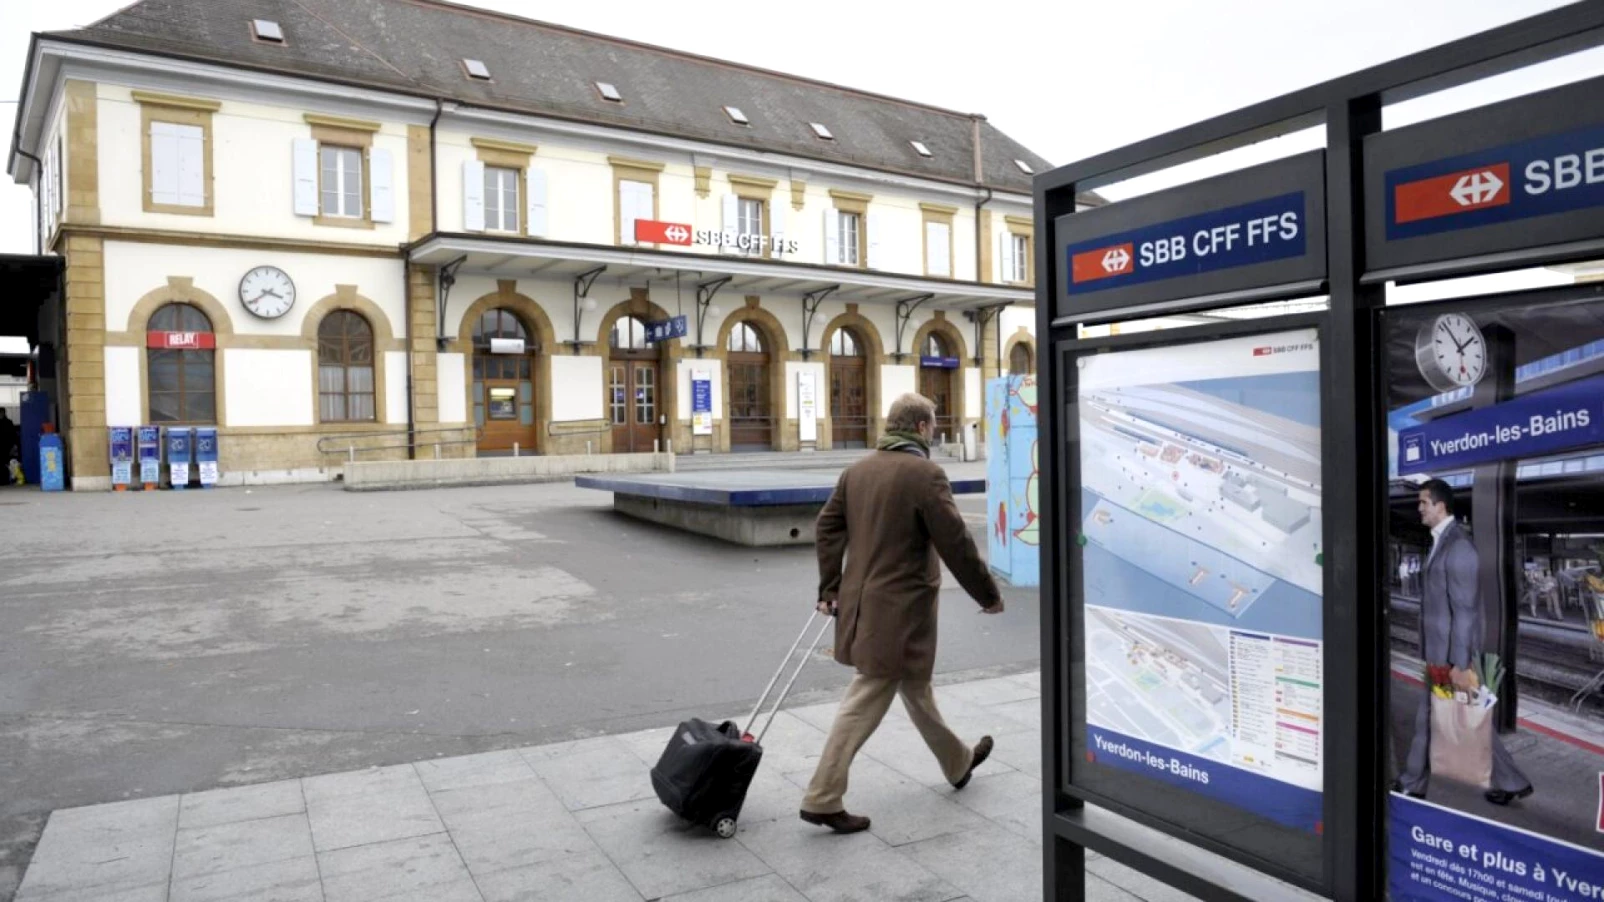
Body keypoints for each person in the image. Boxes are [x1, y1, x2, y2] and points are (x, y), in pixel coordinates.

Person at [799, 392, 1004, 834]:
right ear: (922, 428)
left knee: (916, 688)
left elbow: (827, 526)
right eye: (932, 425)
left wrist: (831, 586)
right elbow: (956, 542)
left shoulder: (858, 470)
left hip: (864, 603)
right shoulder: (924, 474)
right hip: (900, 610)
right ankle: (822, 796)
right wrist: (987, 594)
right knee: (867, 695)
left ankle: (958, 762)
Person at [1395, 478, 1534, 806]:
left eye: (1423, 503)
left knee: (1451, 716)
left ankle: (1413, 783)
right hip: (1441, 652)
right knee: (1454, 716)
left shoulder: (1459, 547)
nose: (1419, 509)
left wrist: (1460, 663)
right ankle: (1417, 781)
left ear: (1440, 505)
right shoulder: (1442, 542)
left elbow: (1466, 610)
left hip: (1451, 657)